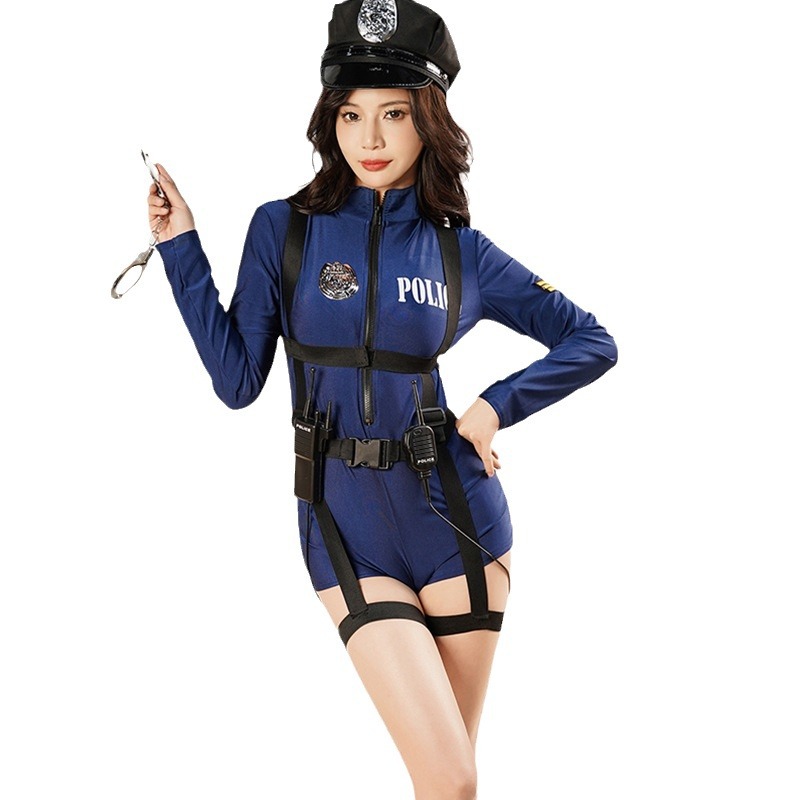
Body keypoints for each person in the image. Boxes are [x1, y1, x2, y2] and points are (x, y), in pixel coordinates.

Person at [146, 1, 617, 797]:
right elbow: (237, 381)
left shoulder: (460, 251)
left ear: (427, 120)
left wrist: (494, 406)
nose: (369, 137)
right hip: (344, 527)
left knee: (446, 786)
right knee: (452, 778)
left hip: (459, 524)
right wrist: (179, 249)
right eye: (352, 113)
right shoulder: (284, 230)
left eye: (394, 114)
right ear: (330, 118)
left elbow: (591, 340)